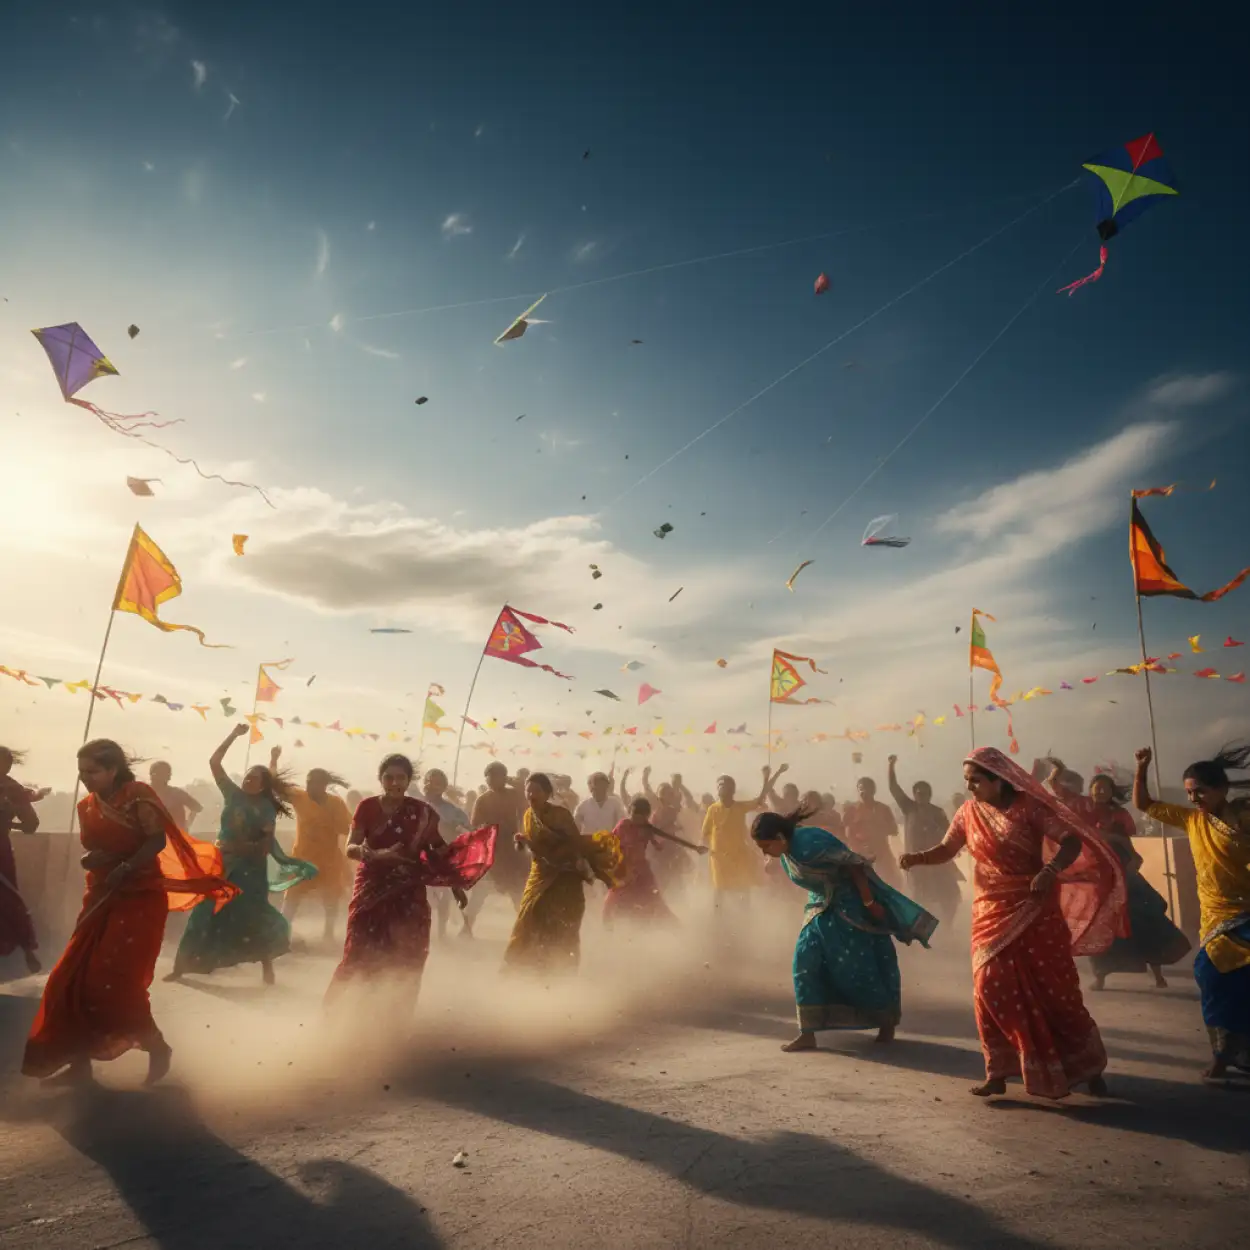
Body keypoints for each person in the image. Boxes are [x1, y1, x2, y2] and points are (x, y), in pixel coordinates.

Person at [900, 747, 1124, 1100]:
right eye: (967, 780)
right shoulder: (968, 812)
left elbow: (1070, 841)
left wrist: (1050, 870)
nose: (969, 786)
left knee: (1055, 993)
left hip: (1034, 906)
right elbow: (947, 848)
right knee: (988, 985)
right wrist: (917, 858)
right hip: (990, 910)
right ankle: (998, 1071)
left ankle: (1087, 1066)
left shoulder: (1029, 807)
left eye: (976, 780)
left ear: (998, 780)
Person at [23, 739, 234, 1085]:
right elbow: (96, 850)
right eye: (81, 771)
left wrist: (127, 866)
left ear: (113, 769)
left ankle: (156, 1046)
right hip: (101, 894)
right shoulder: (87, 806)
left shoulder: (137, 795)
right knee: (71, 978)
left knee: (112, 981)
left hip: (139, 896)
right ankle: (78, 1064)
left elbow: (156, 840)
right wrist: (93, 860)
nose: (85, 778)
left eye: (92, 771)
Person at [753, 805, 936, 1050]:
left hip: (851, 908)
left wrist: (869, 902)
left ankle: (885, 1022)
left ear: (779, 837)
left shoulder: (809, 842)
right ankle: (808, 1032)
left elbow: (854, 864)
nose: (765, 852)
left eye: (766, 846)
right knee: (804, 962)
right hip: (819, 909)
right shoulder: (787, 851)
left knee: (860, 967)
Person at [329, 755, 494, 1004]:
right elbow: (351, 847)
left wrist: (455, 879)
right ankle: (339, 1010)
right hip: (371, 887)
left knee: (407, 951)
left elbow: (438, 849)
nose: (395, 783)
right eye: (389, 777)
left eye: (401, 778)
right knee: (359, 948)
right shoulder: (367, 807)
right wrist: (371, 853)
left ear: (408, 781)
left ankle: (396, 1012)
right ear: (380, 779)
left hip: (408, 890)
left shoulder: (422, 812)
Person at [1133, 744, 1250, 1081]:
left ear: (1222, 789)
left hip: (1247, 913)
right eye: (1189, 793)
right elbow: (1144, 804)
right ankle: (1224, 1054)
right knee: (1211, 977)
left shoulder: (1243, 817)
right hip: (1216, 917)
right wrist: (1142, 767)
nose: (1194, 798)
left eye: (1200, 791)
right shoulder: (1191, 819)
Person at [167, 727, 316, 986]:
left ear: (263, 785)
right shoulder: (232, 794)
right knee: (204, 912)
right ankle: (181, 967)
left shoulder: (266, 808)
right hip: (222, 864)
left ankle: (267, 965)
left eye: (254, 779)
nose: (248, 781)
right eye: (247, 777)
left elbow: (264, 845)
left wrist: (241, 847)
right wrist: (234, 735)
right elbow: (214, 762)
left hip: (251, 869)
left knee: (252, 916)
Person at [1048, 759, 1189, 991]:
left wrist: (1132, 857)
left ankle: (1158, 974)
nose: (1101, 792)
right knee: (1101, 923)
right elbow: (1057, 789)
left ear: (1112, 792)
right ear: (1090, 790)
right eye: (1097, 788)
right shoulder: (1081, 806)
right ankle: (1100, 977)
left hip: (1123, 871)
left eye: (1105, 789)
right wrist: (1058, 771)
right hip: (1098, 874)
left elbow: (1126, 843)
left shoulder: (1120, 814)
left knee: (1145, 918)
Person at [504, 773, 621, 973]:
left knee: (564, 921)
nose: (531, 794)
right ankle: (527, 965)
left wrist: (538, 846)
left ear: (547, 793)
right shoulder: (528, 816)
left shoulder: (560, 814)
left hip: (565, 875)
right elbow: (533, 850)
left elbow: (572, 843)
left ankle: (562, 966)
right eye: (528, 790)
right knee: (530, 914)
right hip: (540, 875)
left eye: (536, 791)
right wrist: (522, 844)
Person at [604, 796, 708, 924]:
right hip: (624, 870)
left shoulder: (647, 828)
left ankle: (674, 926)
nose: (637, 820)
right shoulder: (622, 826)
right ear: (630, 811)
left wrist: (695, 848)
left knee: (655, 900)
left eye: (641, 817)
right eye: (635, 815)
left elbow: (668, 838)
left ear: (646, 816)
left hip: (642, 871)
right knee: (613, 900)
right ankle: (608, 927)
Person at [282, 760, 353, 945]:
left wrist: (329, 824)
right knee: (292, 895)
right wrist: (274, 760)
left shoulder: (336, 803)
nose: (309, 786)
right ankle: (283, 932)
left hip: (329, 858)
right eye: (308, 782)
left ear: (323, 785)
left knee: (331, 897)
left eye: (314, 783)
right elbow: (276, 787)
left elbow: (348, 828)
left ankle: (328, 934)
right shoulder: (300, 797)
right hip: (302, 858)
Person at [701, 766, 786, 917]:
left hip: (739, 856)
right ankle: (717, 919)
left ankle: (746, 917)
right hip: (719, 858)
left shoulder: (740, 807)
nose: (722, 789)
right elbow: (705, 833)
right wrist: (703, 846)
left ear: (732, 790)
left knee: (743, 887)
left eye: (726, 786)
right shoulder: (712, 809)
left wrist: (767, 777)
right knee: (719, 890)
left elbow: (760, 798)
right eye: (720, 786)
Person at [887, 756, 963, 925]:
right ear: (914, 795)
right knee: (920, 898)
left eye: (925, 793)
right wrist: (891, 766)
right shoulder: (909, 808)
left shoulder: (938, 812)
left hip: (936, 861)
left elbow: (949, 834)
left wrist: (936, 831)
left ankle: (947, 926)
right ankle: (923, 930)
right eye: (918, 793)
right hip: (915, 863)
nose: (922, 796)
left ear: (930, 795)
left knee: (948, 895)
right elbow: (893, 787)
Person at [0, 746, 47, 974]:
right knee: (9, 899)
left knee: (8, 899)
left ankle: (27, 948)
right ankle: (27, 948)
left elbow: (31, 825)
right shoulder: (13, 789)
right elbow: (30, 825)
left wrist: (8, 822)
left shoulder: (13, 789)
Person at [466, 762, 528, 927]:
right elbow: (474, 823)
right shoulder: (482, 799)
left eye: (499, 776)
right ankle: (466, 927)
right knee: (480, 892)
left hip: (512, 849)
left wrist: (513, 782)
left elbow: (526, 799)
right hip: (491, 848)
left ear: (504, 777)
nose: (494, 779)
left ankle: (526, 928)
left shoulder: (514, 795)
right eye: (490, 776)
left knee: (517, 892)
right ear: (486, 778)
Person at [420, 768, 472, 940]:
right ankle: (421, 933)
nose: (432, 787)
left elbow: (467, 832)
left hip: (444, 858)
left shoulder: (453, 811)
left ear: (443, 787)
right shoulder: (415, 806)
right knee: (420, 897)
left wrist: (456, 829)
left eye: (437, 783)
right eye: (429, 782)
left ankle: (441, 933)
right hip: (419, 858)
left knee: (445, 898)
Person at [844, 775, 901, 886]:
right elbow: (848, 833)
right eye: (861, 789)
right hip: (860, 853)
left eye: (867, 788)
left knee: (889, 883)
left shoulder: (883, 809)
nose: (864, 792)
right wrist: (859, 849)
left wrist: (877, 826)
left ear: (873, 790)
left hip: (882, 853)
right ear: (857, 791)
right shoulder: (852, 810)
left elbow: (894, 830)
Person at [147, 760, 203, 832]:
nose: (154, 778)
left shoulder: (176, 793)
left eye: (158, 775)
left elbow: (197, 807)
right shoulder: (144, 793)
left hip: (175, 834)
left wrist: (187, 824)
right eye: (153, 774)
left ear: (167, 777)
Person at [574, 771, 625, 835]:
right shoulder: (583, 806)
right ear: (590, 788)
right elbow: (575, 827)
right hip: (589, 840)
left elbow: (622, 824)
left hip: (609, 839)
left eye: (601, 787)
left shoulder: (615, 804)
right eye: (595, 788)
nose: (599, 790)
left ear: (606, 787)